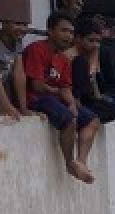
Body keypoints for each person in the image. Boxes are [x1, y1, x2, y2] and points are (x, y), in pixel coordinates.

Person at [22, 11, 99, 184]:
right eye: (64, 31)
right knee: (69, 120)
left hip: (54, 98)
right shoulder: (37, 49)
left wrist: (71, 102)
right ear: (50, 31)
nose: (69, 36)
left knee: (92, 121)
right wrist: (62, 96)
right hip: (37, 99)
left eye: (71, 32)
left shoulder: (62, 59)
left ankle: (81, 161)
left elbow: (65, 86)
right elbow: (37, 86)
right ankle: (69, 163)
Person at [70, 18, 115, 124]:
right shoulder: (71, 56)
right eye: (91, 40)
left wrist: (99, 99)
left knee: (114, 109)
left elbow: (92, 81)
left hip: (86, 100)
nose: (95, 45)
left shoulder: (90, 54)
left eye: (98, 41)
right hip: (72, 100)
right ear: (79, 38)